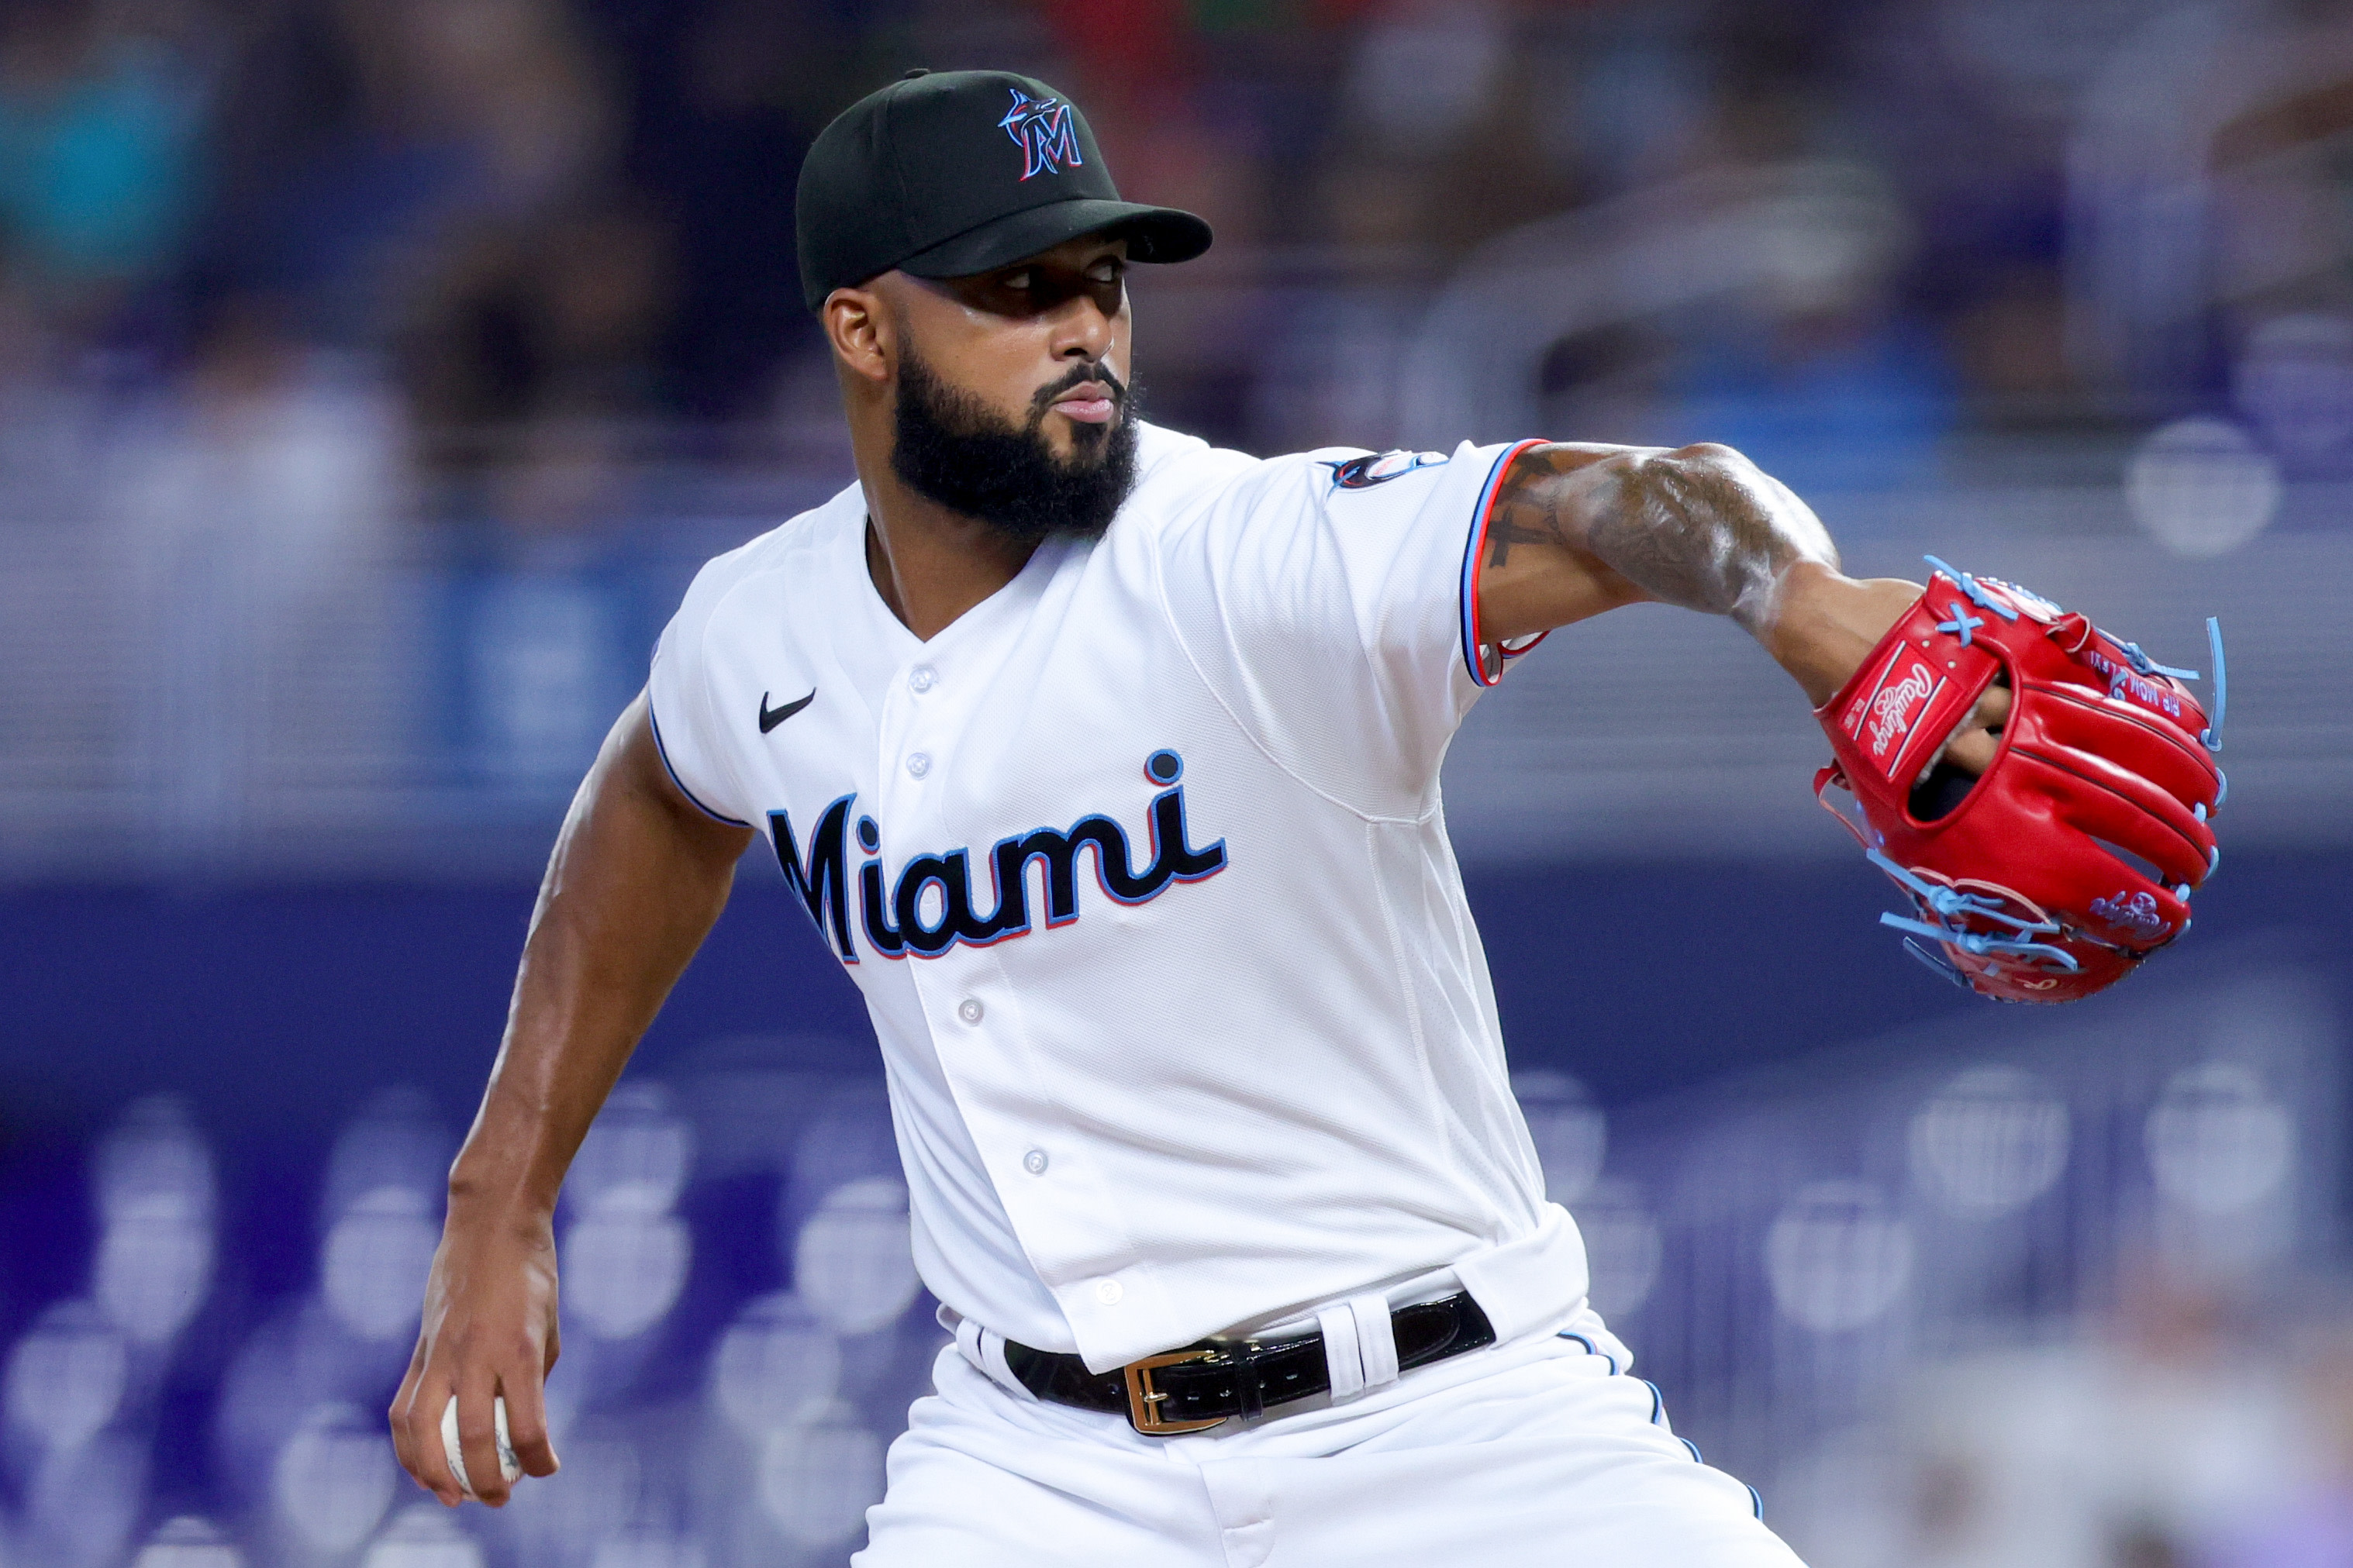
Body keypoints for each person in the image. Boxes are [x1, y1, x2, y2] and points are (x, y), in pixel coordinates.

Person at [389, 68, 2004, 1564]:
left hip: (1457, 1427)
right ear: (862, 331)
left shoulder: (1245, 553)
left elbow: (1611, 495)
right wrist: (500, 1196)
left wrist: (1807, 605)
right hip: (1040, 1468)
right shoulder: (762, 634)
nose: (1082, 327)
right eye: (1015, 290)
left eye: (1102, 280)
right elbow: (658, 798)